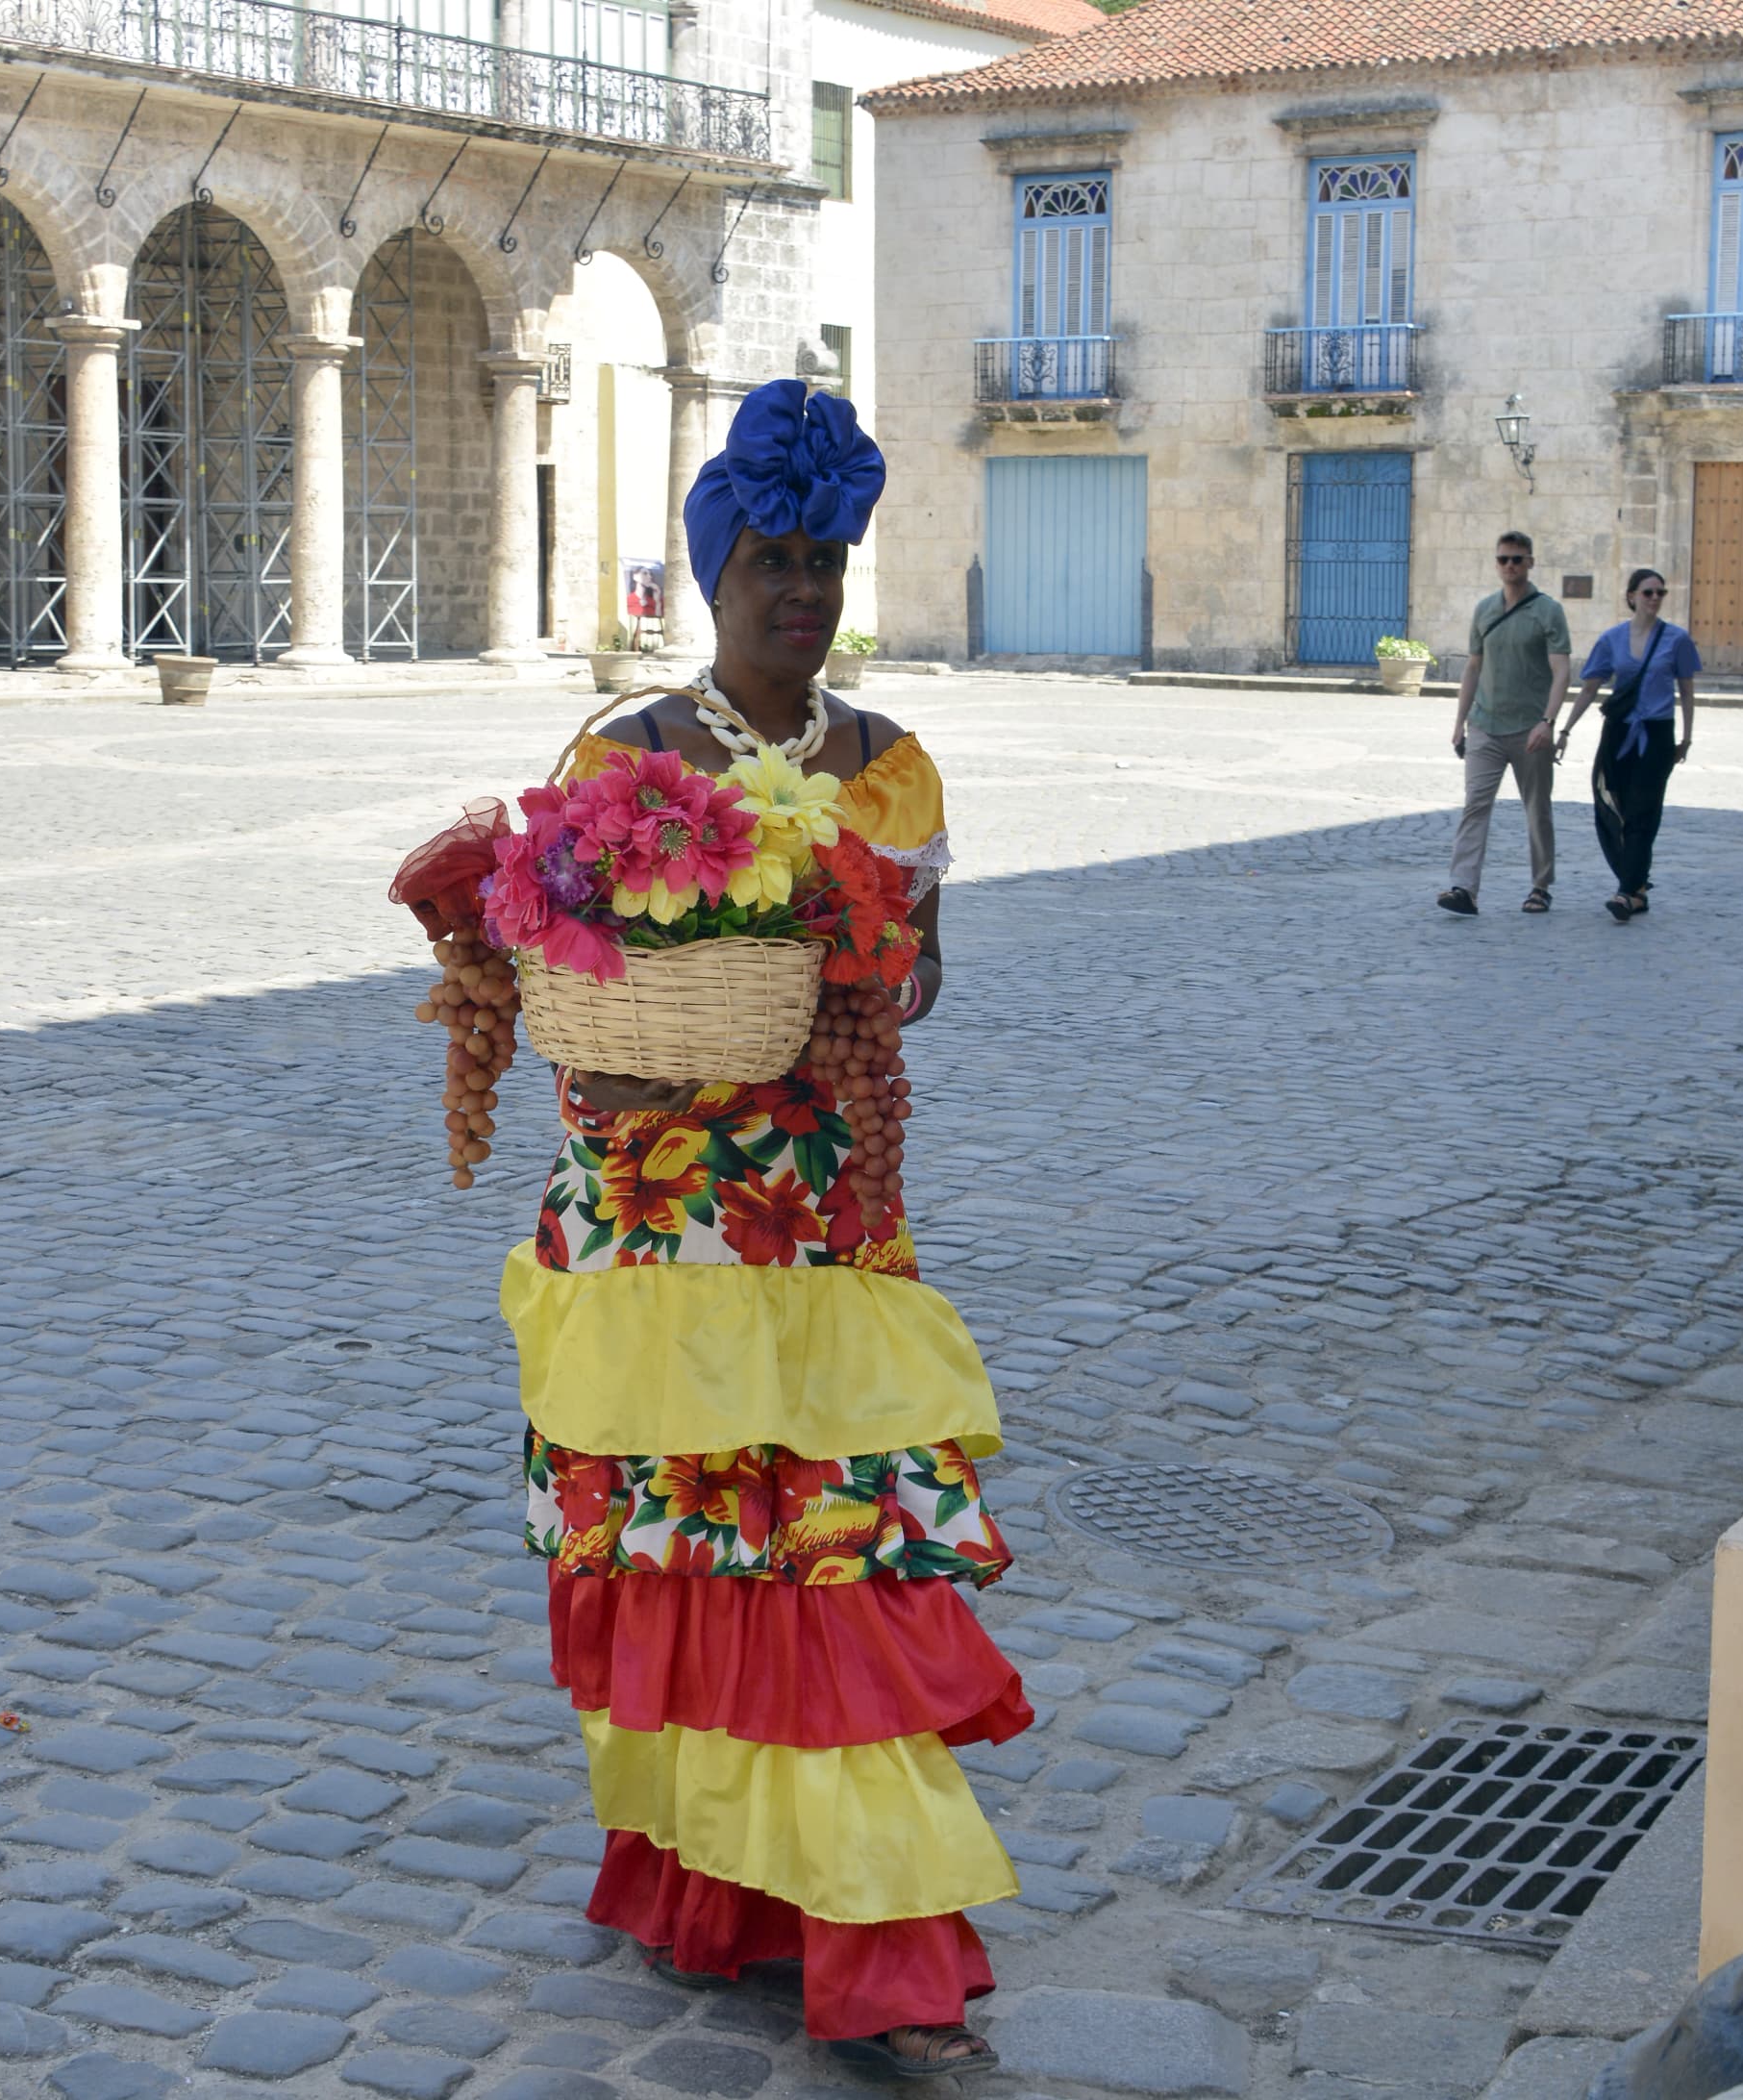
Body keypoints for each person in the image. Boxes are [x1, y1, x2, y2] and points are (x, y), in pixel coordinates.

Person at [499, 379, 1029, 2078]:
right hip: (659, 1230)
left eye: (825, 558)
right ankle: (715, 1880)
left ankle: (874, 1930)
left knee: (839, 1549)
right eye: (772, 561)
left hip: (823, 1226)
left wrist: (859, 960)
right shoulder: (626, 754)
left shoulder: (893, 767)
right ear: (714, 573)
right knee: (684, 1538)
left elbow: (926, 975)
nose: (801, 589)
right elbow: (565, 983)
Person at [1550, 567, 1699, 920]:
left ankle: (1626, 892)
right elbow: (1590, 688)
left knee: (1644, 812)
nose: (1655, 598)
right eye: (1648, 592)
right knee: (1610, 805)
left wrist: (1687, 738)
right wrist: (1565, 731)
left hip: (1658, 734)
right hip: (1618, 734)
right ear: (1631, 596)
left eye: (1660, 592)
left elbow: (1687, 692)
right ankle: (1638, 887)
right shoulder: (1612, 639)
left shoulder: (1677, 639)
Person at [1437, 530, 1572, 916]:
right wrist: (1459, 722)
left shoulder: (1548, 611)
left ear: (1530, 562)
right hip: (1484, 725)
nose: (1510, 565)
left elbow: (1561, 671)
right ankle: (1464, 888)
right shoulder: (1484, 610)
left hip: (1531, 729)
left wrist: (1548, 721)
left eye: (1517, 558)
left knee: (1536, 808)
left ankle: (1540, 886)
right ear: (1496, 564)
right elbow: (1473, 667)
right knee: (1475, 807)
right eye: (1503, 559)